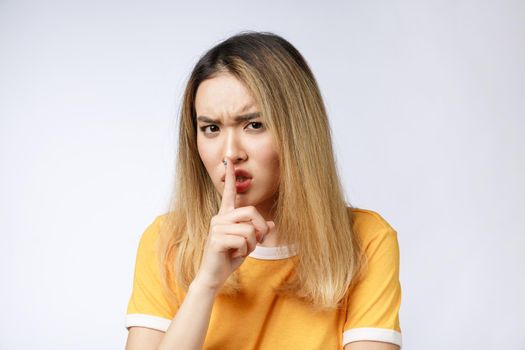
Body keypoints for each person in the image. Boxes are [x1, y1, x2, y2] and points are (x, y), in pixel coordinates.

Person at [124, 31, 402, 350]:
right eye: (211, 128)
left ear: (297, 131)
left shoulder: (366, 239)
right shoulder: (167, 240)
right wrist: (206, 283)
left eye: (254, 125)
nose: (231, 153)